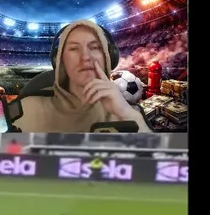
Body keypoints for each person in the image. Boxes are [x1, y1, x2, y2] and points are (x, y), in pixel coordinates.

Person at [10, 21, 151, 133]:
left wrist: (128, 115)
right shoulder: (24, 107)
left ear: (108, 58)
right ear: (60, 60)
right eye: (74, 49)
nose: (85, 57)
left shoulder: (132, 113)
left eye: (94, 47)